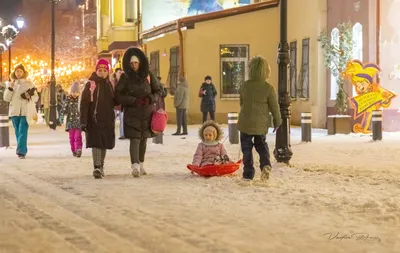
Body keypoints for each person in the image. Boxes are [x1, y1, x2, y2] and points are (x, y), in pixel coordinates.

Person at [115, 47, 162, 178]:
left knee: (143, 140)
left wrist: (150, 99)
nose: (134, 65)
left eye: (136, 63)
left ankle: (141, 164)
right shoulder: (125, 77)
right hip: (132, 113)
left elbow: (158, 91)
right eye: (131, 63)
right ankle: (134, 165)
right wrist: (133, 101)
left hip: (147, 113)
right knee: (135, 139)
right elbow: (118, 95)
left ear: (140, 63)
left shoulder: (148, 75)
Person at [237, 56, 281, 181]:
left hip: (245, 123)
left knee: (246, 148)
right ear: (266, 71)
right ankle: (265, 164)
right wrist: (277, 122)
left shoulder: (245, 86)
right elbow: (274, 107)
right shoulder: (268, 88)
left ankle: (248, 172)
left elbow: (242, 102)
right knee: (261, 145)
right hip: (261, 124)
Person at [80, 59, 116, 179]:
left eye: (104, 70)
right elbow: (84, 104)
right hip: (93, 119)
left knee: (103, 144)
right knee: (96, 143)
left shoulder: (109, 84)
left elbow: (114, 101)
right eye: (100, 70)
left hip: (107, 120)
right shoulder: (91, 84)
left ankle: (101, 166)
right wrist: (83, 121)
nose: (102, 72)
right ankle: (96, 167)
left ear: (108, 72)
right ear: (96, 71)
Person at [3, 64, 39, 159]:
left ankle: (21, 152)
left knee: (22, 131)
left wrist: (29, 95)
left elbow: (36, 97)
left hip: (25, 111)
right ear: (14, 73)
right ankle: (23, 149)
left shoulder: (29, 84)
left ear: (23, 73)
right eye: (17, 71)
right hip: (14, 111)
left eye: (20, 71)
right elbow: (6, 98)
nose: (18, 73)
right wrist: (10, 88)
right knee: (17, 132)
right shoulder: (11, 83)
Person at [64, 81, 82, 158]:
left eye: (76, 92)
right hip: (70, 122)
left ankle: (78, 149)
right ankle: (74, 150)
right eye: (73, 92)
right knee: (71, 137)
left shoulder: (80, 100)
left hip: (78, 122)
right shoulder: (68, 100)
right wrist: (63, 111)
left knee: (77, 136)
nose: (74, 93)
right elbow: (64, 109)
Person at [110, 67, 125, 139]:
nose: (120, 74)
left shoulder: (124, 81)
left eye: (121, 73)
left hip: (121, 104)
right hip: (114, 104)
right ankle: (110, 134)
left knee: (123, 120)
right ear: (115, 73)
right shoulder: (112, 81)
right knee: (112, 120)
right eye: (119, 73)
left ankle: (122, 134)